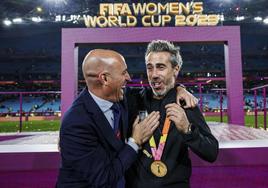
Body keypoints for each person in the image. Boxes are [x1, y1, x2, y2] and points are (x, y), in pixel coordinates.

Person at [56, 49, 197, 188]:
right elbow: (104, 179)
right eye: (123, 73)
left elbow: (153, 91)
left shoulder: (119, 96)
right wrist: (135, 142)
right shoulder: (76, 123)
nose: (129, 77)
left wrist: (179, 88)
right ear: (105, 79)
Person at [125, 40, 219, 188]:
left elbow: (211, 153)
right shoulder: (134, 100)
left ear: (176, 69)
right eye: (150, 68)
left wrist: (188, 130)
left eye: (161, 67)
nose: (154, 74)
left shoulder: (185, 104)